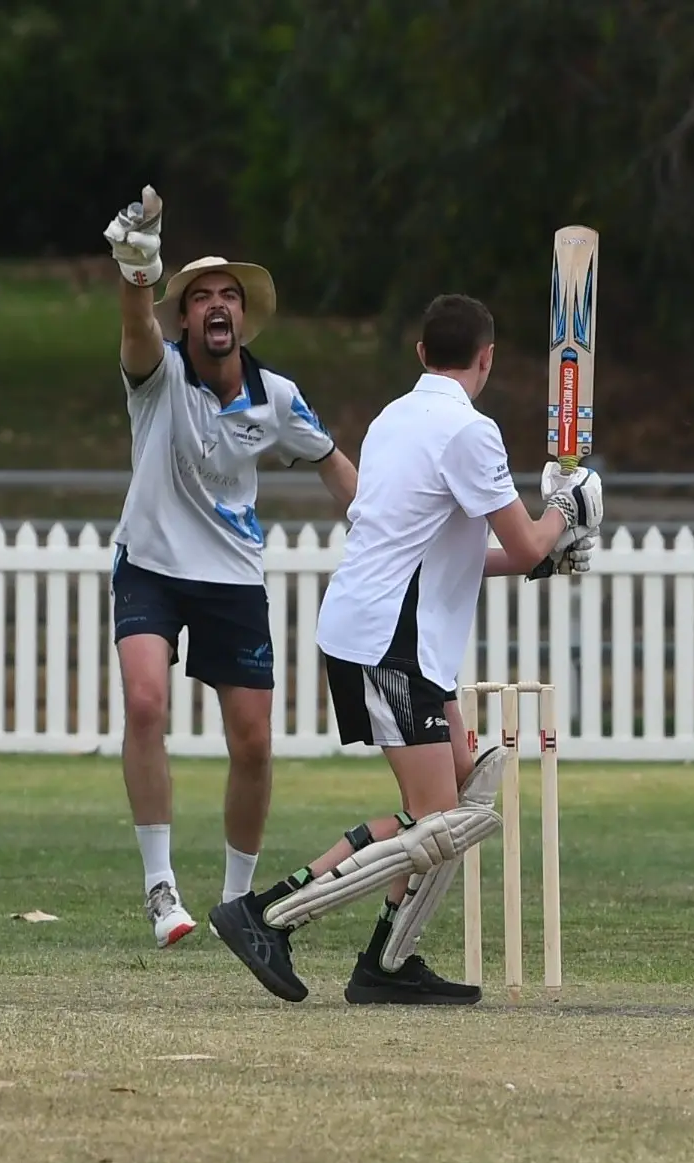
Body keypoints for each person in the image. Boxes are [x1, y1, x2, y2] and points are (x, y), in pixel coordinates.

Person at [209, 293, 602, 1006]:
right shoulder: (469, 433)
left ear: (422, 354)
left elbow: (479, 555)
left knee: (462, 784)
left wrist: (556, 541)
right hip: (391, 638)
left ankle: (387, 962)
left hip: (385, 632)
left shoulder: (393, 420)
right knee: (445, 820)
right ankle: (266, 916)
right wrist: (570, 508)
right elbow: (523, 541)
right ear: (486, 359)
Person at [102, 185, 360, 949]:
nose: (217, 306)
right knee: (146, 704)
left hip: (232, 578)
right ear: (186, 318)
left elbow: (335, 466)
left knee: (252, 742)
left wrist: (382, 534)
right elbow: (134, 322)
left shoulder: (277, 397)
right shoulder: (158, 374)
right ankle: (160, 890)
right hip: (148, 563)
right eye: (203, 297)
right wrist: (138, 261)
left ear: (243, 317)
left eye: (230, 297)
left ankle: (237, 904)